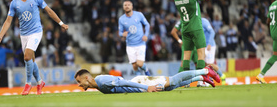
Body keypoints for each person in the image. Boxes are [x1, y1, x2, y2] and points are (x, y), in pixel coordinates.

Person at [0, 0, 68, 95]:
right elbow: (8, 21)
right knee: (31, 61)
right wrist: (0, 35)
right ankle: (39, 82)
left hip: (36, 32)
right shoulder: (14, 3)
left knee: (27, 57)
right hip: (24, 35)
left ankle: (28, 84)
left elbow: (49, 11)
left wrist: (61, 23)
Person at [174, 0, 232, 74]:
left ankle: (185, 82)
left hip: (185, 29)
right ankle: (201, 81)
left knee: (186, 57)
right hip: (196, 28)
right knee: (201, 55)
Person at [74, 66, 220, 94]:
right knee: (170, 87)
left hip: (141, 83)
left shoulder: (102, 80)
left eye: (80, 82)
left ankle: (206, 70)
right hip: (140, 86)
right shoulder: (98, 85)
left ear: (87, 78)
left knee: (173, 81)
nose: (79, 85)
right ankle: (201, 78)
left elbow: (124, 82)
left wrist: (146, 87)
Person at [118, 0, 151, 76]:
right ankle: (139, 81)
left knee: (139, 64)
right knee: (134, 66)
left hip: (140, 43)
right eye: (125, 5)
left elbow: (147, 25)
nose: (127, 6)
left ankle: (146, 71)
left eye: (128, 5)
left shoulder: (139, 15)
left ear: (132, 6)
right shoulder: (121, 19)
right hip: (130, 45)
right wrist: (123, 34)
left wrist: (146, 35)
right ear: (123, 7)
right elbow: (120, 33)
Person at [256, 0, 277, 84]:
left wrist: (271, 30)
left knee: (275, 56)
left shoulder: (272, 5)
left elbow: (267, 21)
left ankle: (260, 75)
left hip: (273, 32)